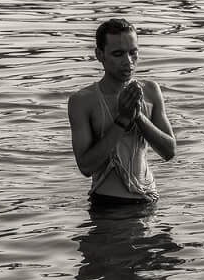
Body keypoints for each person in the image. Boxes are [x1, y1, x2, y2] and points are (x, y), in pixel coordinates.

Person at [67, 19, 176, 206]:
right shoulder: (82, 101)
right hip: (107, 205)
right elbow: (86, 166)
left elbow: (169, 151)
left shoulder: (150, 90)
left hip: (149, 200)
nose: (128, 61)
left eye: (133, 52)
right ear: (99, 55)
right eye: (118, 54)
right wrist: (122, 121)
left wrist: (139, 117)